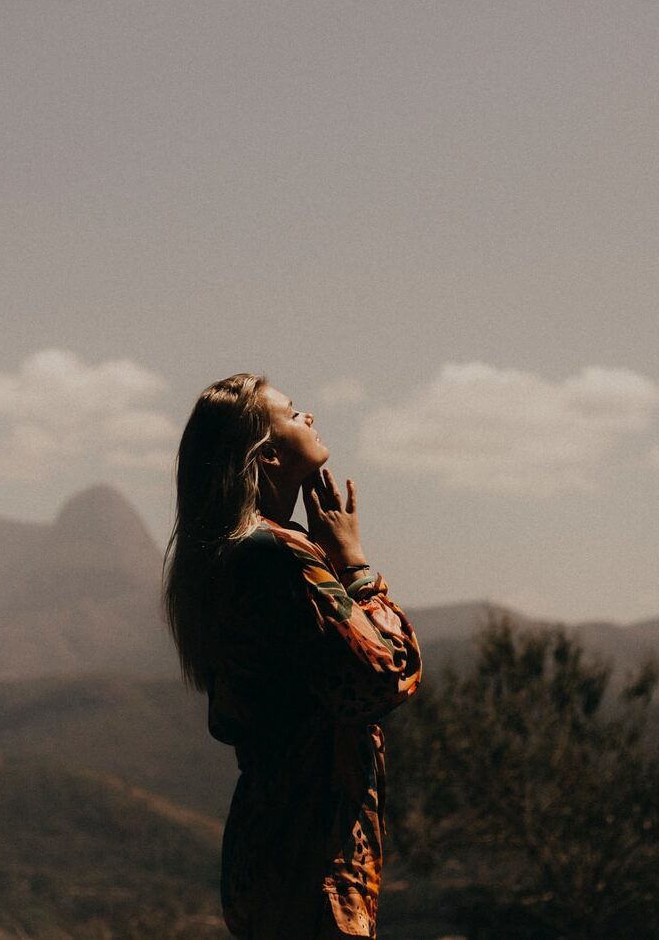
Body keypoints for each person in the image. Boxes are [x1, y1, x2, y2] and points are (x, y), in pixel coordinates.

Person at [163, 373, 422, 939]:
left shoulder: (229, 558)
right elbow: (387, 675)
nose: (308, 416)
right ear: (268, 454)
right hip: (312, 852)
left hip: (269, 846)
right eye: (292, 413)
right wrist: (355, 565)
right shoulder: (276, 555)